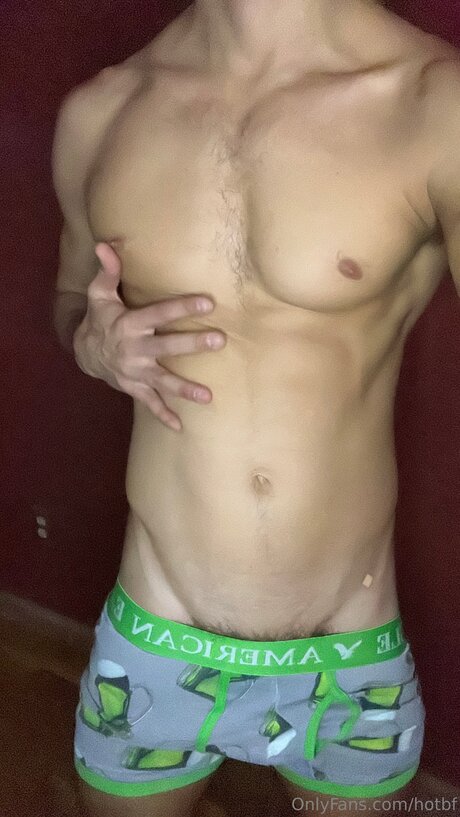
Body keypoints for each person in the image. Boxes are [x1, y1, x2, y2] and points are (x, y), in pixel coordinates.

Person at [51, 1, 460, 815]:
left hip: (349, 651)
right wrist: (91, 342)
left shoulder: (434, 105)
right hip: (155, 636)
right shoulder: (102, 110)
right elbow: (70, 299)